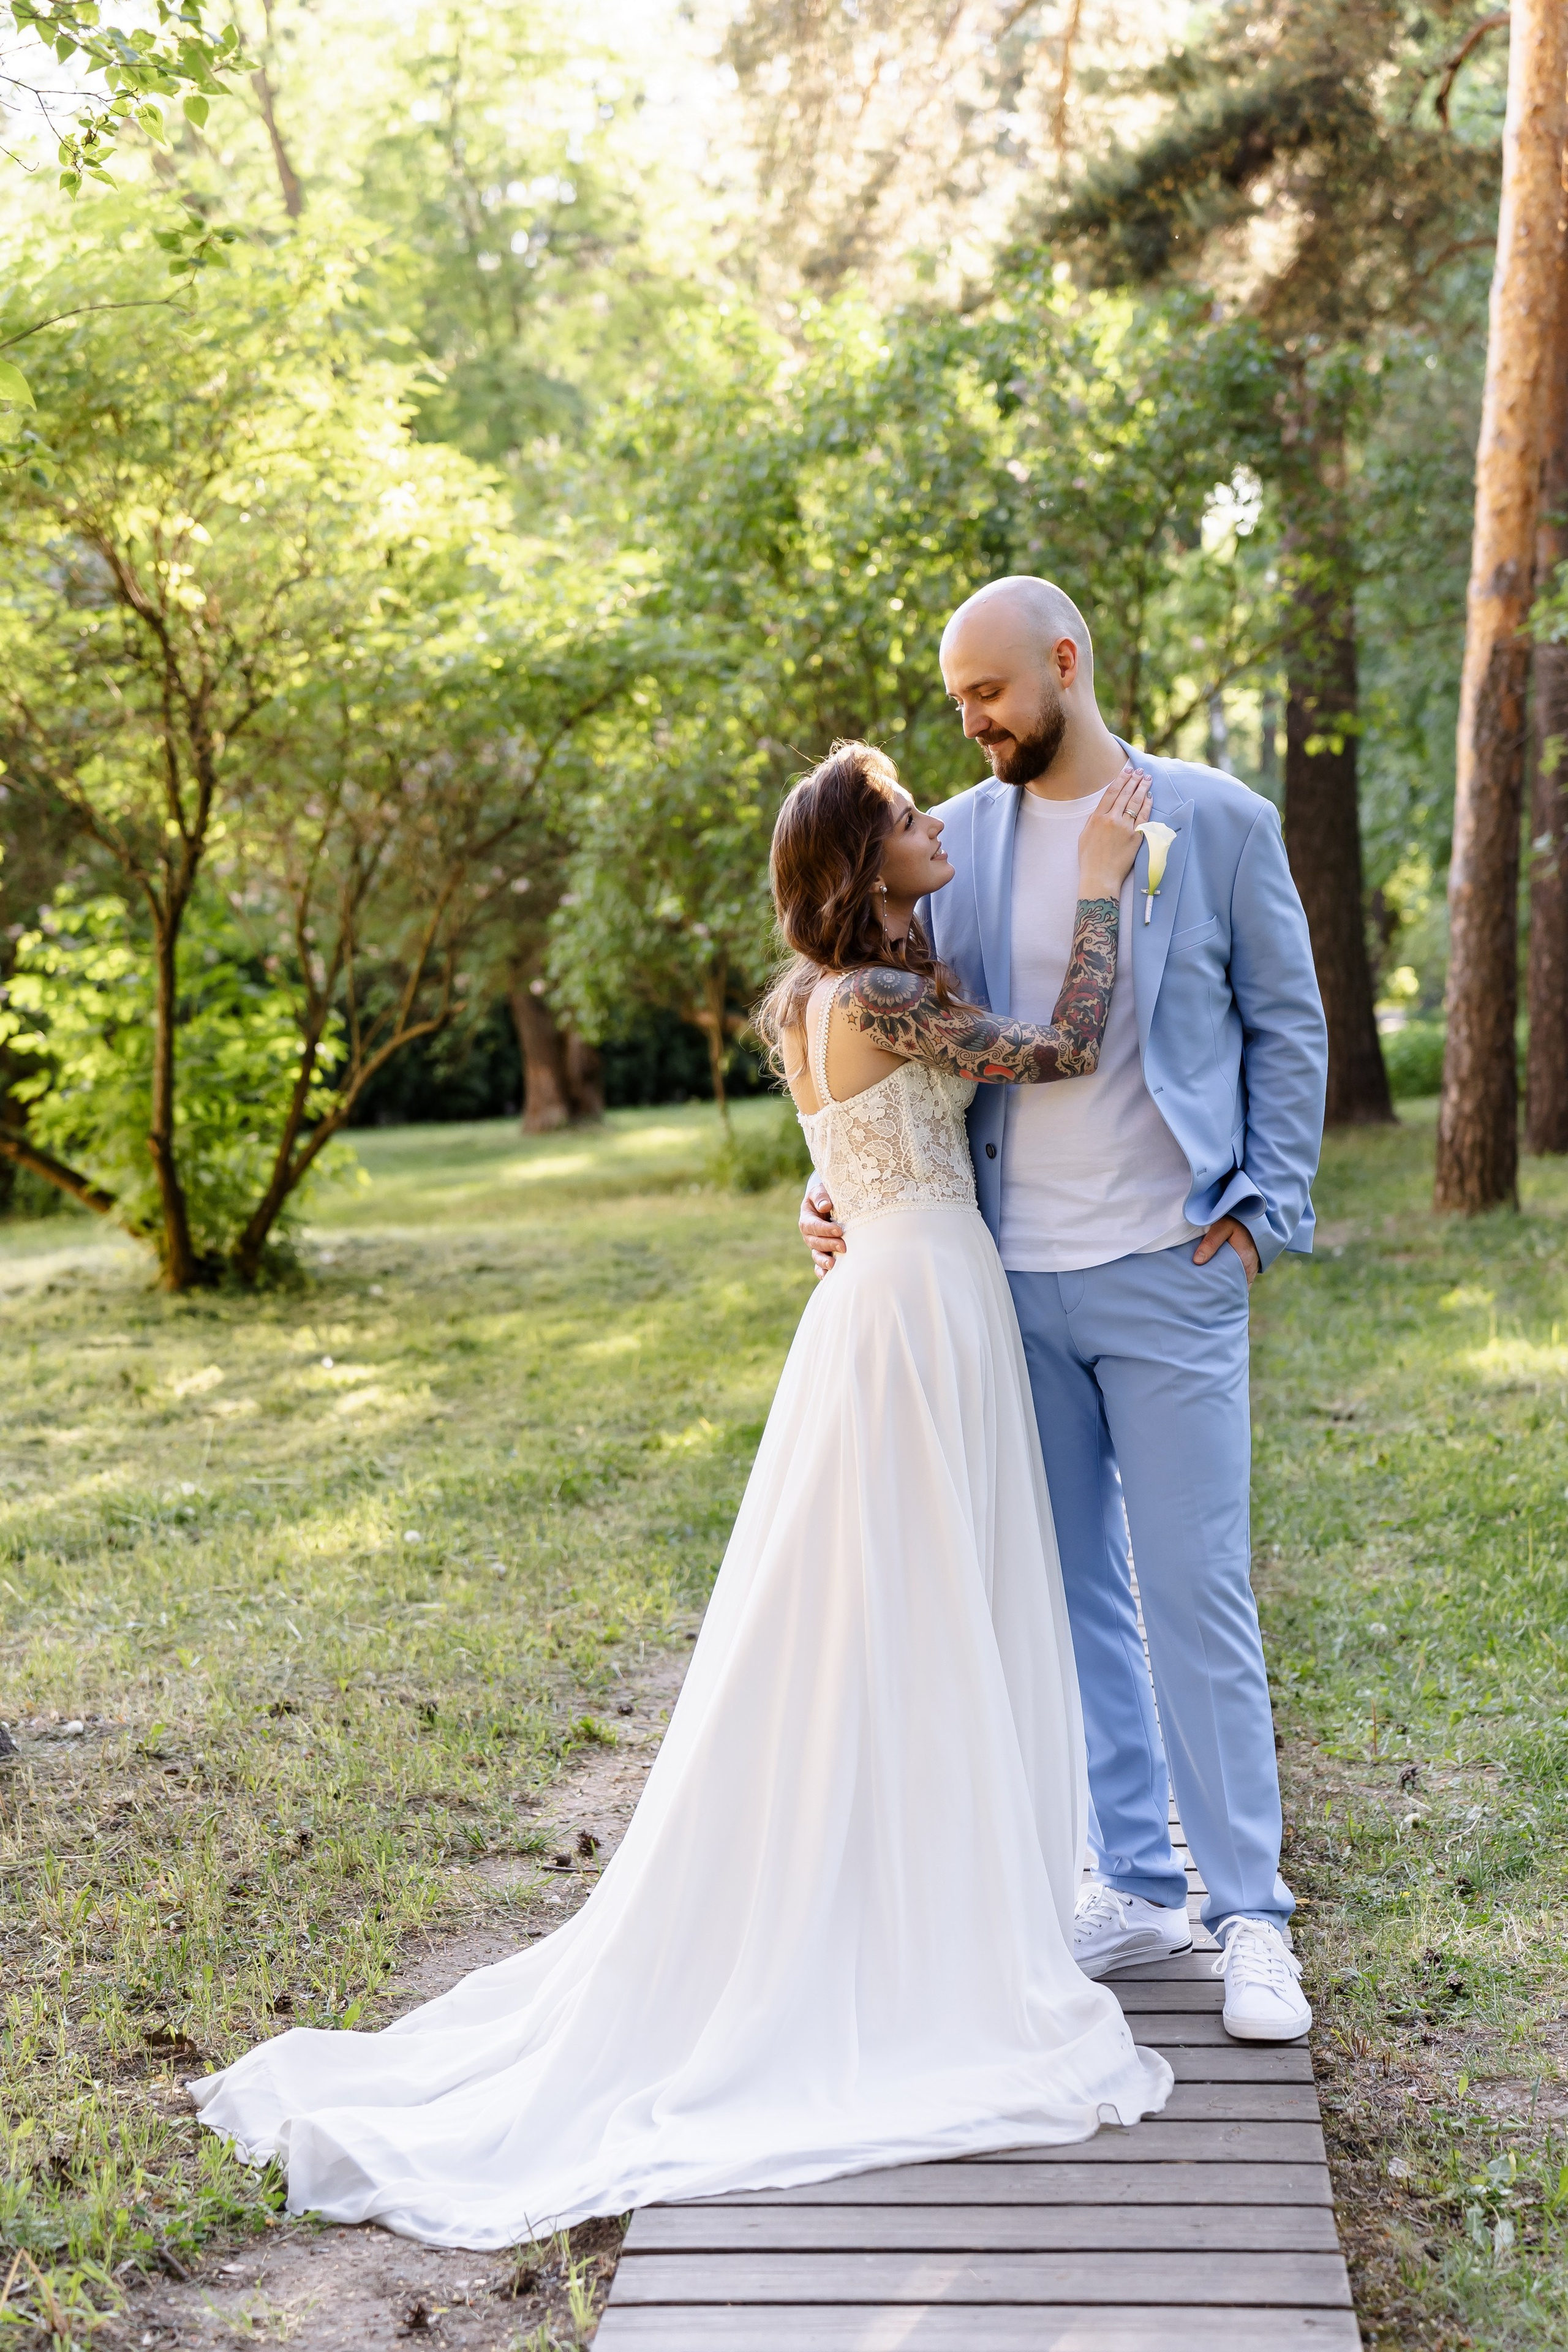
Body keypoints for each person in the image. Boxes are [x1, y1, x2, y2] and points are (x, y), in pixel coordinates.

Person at [188, 740, 1170, 2250]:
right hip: (919, 1310)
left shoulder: (814, 1001)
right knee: (910, 1605)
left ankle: (909, 1882)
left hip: (887, 1306)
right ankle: (920, 1915)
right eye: (906, 818)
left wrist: (828, 1189)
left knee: (888, 1609)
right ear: (862, 863)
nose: (928, 828)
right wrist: (1099, 894)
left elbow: (860, 1138)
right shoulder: (887, 1000)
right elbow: (1065, 1049)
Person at [802, 577, 1327, 2042]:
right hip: (999, 1278)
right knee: (1071, 1588)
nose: (968, 723)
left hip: (1170, 1267)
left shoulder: (1213, 819)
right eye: (957, 701)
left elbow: (1289, 1023)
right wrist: (841, 1182)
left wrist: (1255, 1212)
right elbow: (883, 1036)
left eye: (987, 694)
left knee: (1194, 1581)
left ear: (1065, 664)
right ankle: (1137, 1881)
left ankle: (1250, 1917)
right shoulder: (948, 844)